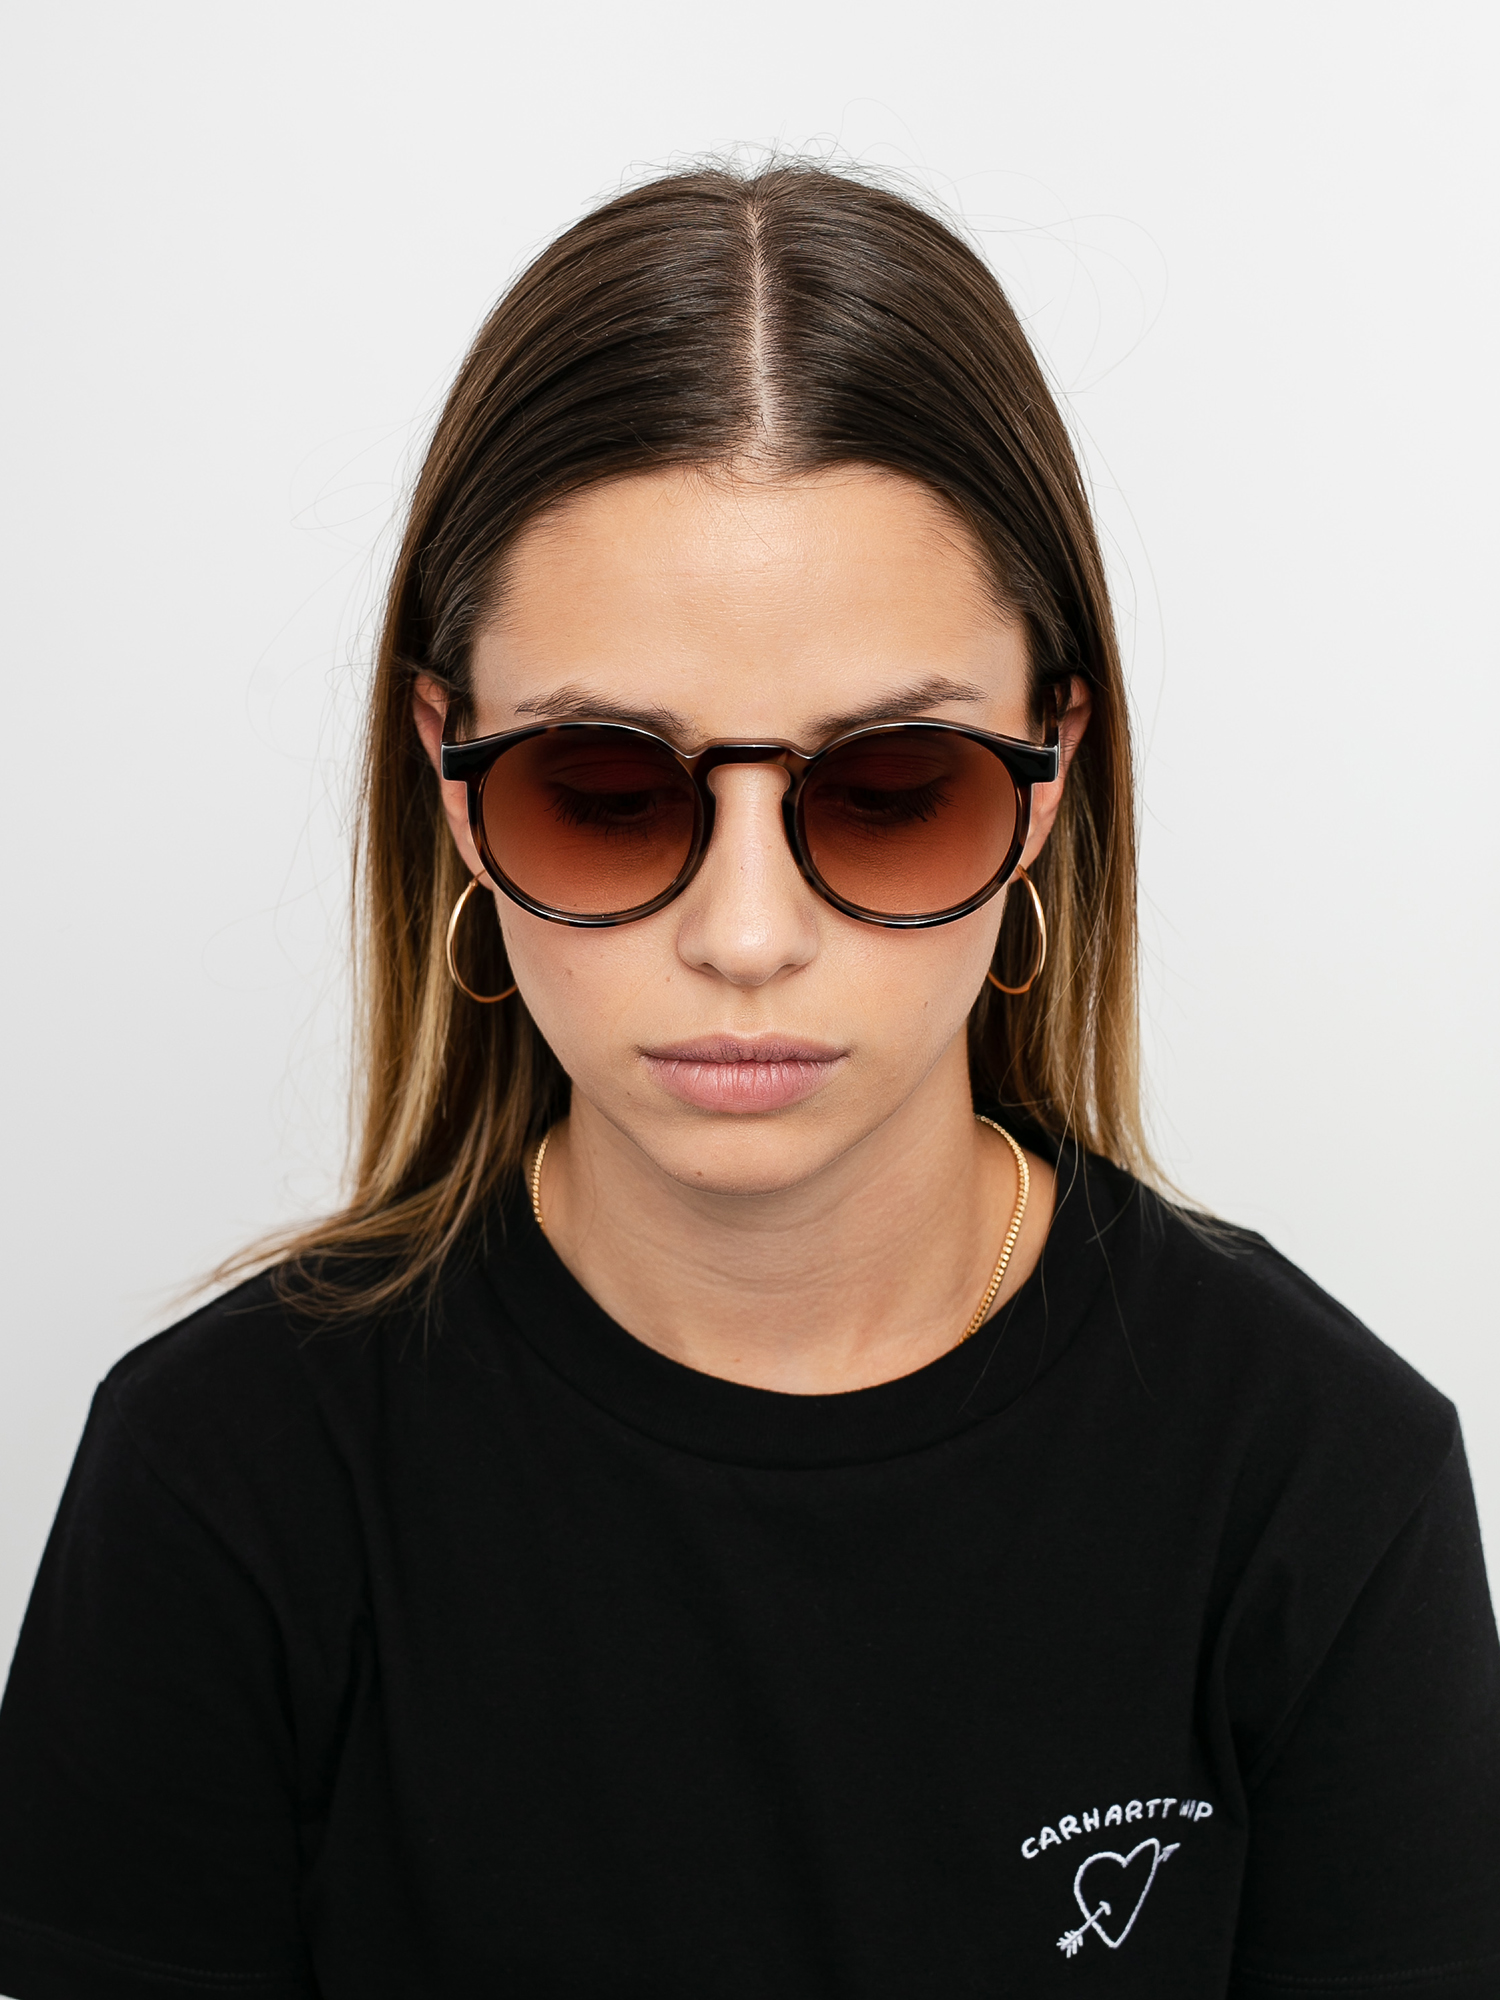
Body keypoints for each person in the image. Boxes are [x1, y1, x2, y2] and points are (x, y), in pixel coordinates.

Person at [0, 162, 1496, 2000]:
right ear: (448, 774)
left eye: (891, 791)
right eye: (604, 792)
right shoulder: (221, 1484)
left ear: (1049, 779)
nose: (746, 934)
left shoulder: (1320, 1482)